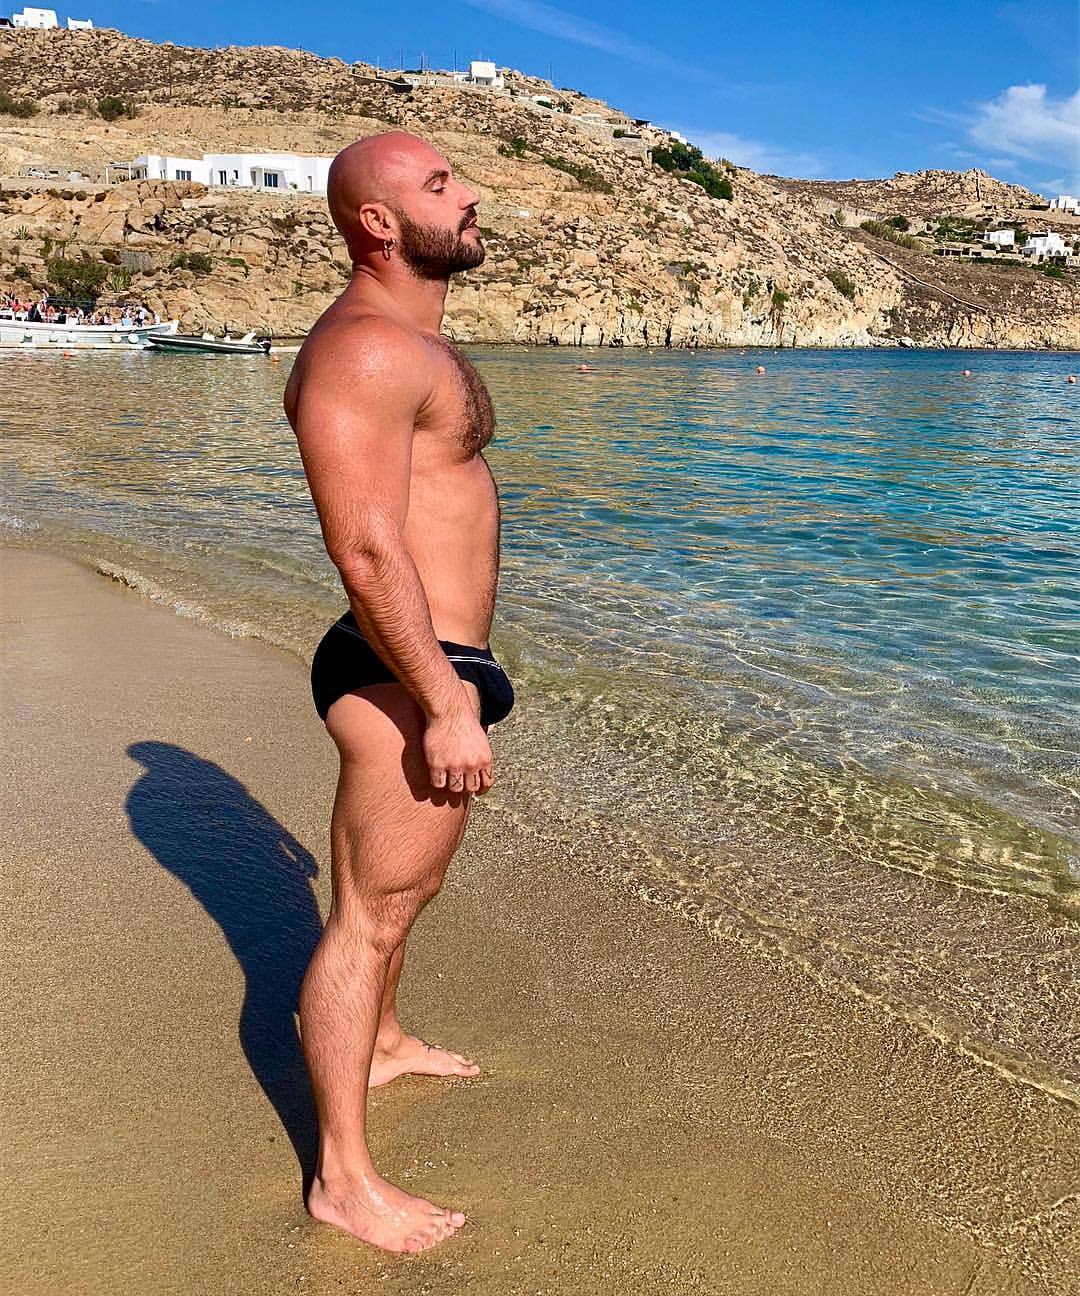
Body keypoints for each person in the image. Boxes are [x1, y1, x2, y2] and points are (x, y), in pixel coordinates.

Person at [283, 132, 514, 1256]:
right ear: (377, 223)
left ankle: (378, 1044)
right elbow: (368, 550)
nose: (468, 196)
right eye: (439, 185)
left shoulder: (410, 342)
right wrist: (446, 701)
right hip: (407, 670)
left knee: (398, 901)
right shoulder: (368, 351)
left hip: (428, 663)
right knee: (368, 920)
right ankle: (343, 1179)